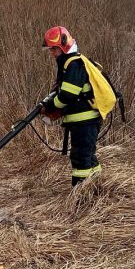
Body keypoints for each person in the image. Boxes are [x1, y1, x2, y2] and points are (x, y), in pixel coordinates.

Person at [39, 26, 102, 187]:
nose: (52, 53)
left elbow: (68, 95)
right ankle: (96, 188)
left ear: (64, 45)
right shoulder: (69, 63)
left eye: (55, 49)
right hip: (83, 122)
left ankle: (81, 194)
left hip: (85, 122)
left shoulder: (74, 64)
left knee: (81, 158)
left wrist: (50, 107)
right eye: (51, 50)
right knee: (87, 155)